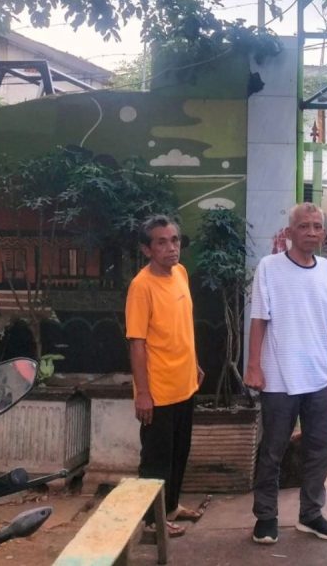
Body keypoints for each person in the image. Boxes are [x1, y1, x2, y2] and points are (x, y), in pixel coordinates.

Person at [245, 202, 327, 544]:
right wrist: (254, 365)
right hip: (279, 376)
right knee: (273, 450)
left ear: (323, 233)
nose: (311, 232)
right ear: (290, 232)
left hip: (318, 376)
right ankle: (266, 516)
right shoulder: (269, 267)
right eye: (304, 226)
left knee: (321, 446)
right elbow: (259, 319)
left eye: (317, 226)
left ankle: (311, 514)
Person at [125, 215, 205, 539]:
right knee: (156, 461)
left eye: (175, 240)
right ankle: (150, 523)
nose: (171, 248)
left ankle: (170, 507)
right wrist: (143, 393)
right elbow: (137, 343)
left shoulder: (181, 273)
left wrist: (194, 363)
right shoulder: (141, 286)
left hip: (185, 384)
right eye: (161, 242)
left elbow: (182, 325)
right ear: (147, 249)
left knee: (178, 454)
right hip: (158, 392)